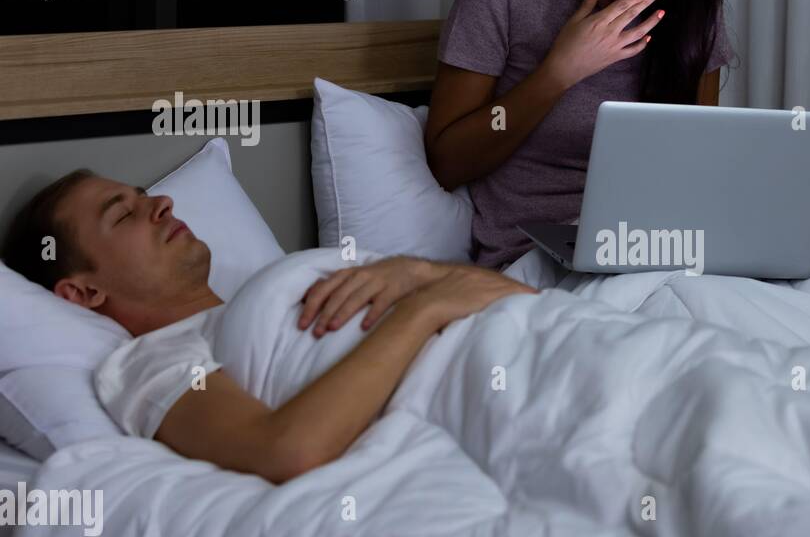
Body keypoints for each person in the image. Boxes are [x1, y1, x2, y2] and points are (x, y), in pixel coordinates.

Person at [1, 170, 537, 484]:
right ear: (83, 293)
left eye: (144, 195)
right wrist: (423, 310)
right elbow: (286, 453)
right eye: (123, 215)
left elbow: (527, 303)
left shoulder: (265, 299)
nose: (160, 203)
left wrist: (420, 273)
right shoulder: (150, 364)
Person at [425, 0, 735, 269]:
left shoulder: (692, 11)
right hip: (539, 257)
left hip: (661, 249)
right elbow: (447, 164)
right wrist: (559, 73)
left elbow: (700, 162)